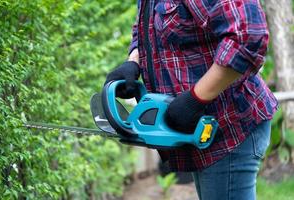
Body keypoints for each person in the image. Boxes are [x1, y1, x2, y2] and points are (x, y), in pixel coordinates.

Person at [105, 0, 278, 199]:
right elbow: (146, 27)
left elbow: (248, 36)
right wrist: (133, 62)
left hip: (227, 125)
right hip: (197, 130)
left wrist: (195, 98)